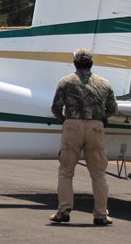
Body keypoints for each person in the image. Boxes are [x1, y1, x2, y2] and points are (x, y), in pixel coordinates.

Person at [49, 48, 119, 226]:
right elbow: (113, 109)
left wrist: (66, 120)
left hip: (73, 126)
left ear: (74, 63)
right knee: (98, 174)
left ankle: (64, 210)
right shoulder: (104, 83)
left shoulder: (66, 82)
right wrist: (100, 118)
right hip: (96, 126)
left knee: (66, 172)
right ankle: (101, 214)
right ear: (92, 63)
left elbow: (56, 108)